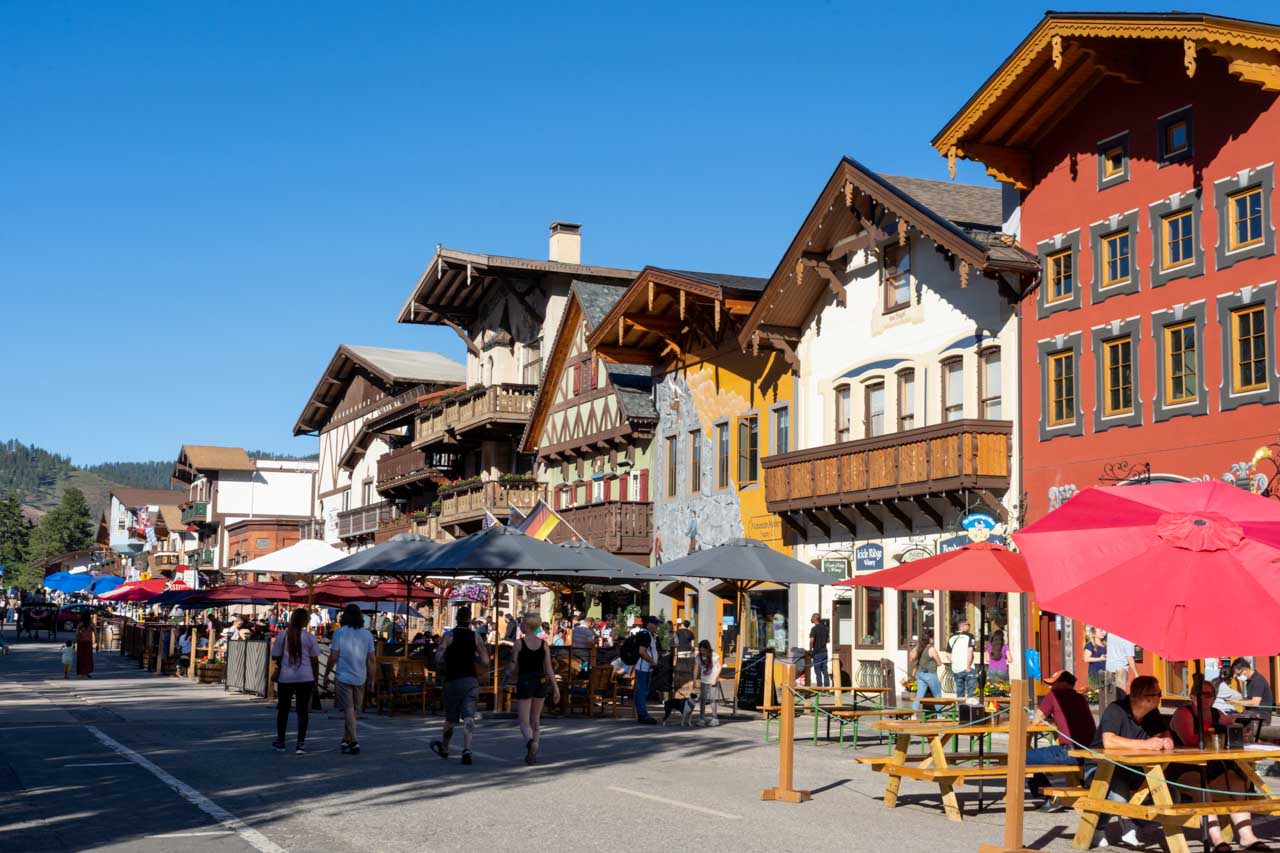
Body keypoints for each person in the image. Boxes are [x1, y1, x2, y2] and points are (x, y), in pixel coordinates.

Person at [1087, 675, 1172, 848]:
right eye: (1157, 694)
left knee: (1171, 793)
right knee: (1118, 798)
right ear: (1144, 697)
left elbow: (1164, 734)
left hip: (1134, 769)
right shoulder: (1116, 710)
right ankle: (1098, 828)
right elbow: (1109, 741)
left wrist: (1166, 741)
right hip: (1100, 769)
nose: (1160, 697)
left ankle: (1134, 822)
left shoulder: (1152, 713)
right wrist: (1145, 745)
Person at [1025, 671, 1096, 805]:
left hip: (1069, 752)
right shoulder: (1080, 698)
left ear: (1063, 683)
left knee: (1023, 757)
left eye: (1053, 684)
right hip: (1089, 753)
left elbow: (1036, 720)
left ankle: (1047, 797)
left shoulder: (1054, 696)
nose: (1050, 687)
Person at [432, 606, 489, 766]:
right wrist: (474, 658)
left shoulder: (449, 635)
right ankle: (467, 749)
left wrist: (443, 663)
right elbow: (485, 660)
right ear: (470, 619)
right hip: (471, 680)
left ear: (457, 618)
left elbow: (438, 656)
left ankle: (444, 747)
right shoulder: (475, 636)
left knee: (450, 718)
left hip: (453, 680)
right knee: (469, 717)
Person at [323, 603, 376, 755]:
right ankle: (345, 740)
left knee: (348, 710)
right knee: (352, 711)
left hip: (343, 676)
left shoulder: (339, 633)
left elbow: (333, 656)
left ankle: (354, 741)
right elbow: (371, 660)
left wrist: (327, 674)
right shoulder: (367, 635)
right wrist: (372, 679)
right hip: (361, 676)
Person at [510, 613, 558, 764]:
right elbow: (549, 668)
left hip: (525, 680)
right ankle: (533, 753)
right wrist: (555, 688)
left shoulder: (519, 643)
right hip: (541, 681)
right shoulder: (544, 644)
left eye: (523, 623)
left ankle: (531, 742)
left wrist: (507, 675)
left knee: (524, 721)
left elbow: (512, 666)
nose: (521, 625)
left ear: (527, 625)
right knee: (535, 720)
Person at [271, 608, 321, 754]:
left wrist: (284, 662)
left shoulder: (283, 635)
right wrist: (316, 678)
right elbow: (315, 660)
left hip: (286, 677)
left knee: (283, 710)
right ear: (305, 621)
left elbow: (275, 656)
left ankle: (281, 741)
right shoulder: (310, 637)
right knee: (303, 711)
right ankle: (300, 744)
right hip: (305, 677)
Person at [632, 615, 659, 724]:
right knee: (642, 692)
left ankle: (642, 714)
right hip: (643, 667)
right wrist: (652, 661)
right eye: (655, 624)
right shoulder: (645, 635)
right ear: (649, 624)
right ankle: (643, 716)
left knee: (642, 691)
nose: (657, 626)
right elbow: (642, 651)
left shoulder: (648, 634)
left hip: (645, 668)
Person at [1231, 657, 1274, 725]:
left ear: (1245, 669)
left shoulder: (1257, 680)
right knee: (1229, 718)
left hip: (1261, 716)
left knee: (1233, 722)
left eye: (1238, 674)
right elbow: (1249, 700)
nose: (1237, 676)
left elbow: (1255, 702)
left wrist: (1236, 702)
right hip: (1253, 714)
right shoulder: (1250, 681)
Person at [909, 631, 943, 710]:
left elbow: (911, 659)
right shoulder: (931, 649)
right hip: (930, 674)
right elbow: (939, 663)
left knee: (919, 695)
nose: (933, 639)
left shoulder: (919, 648)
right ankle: (939, 715)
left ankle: (913, 715)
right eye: (932, 637)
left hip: (920, 674)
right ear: (930, 639)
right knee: (937, 695)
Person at [693, 639, 721, 726]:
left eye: (704, 650)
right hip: (704, 680)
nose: (702, 652)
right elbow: (696, 668)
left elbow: (719, 667)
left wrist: (714, 678)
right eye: (701, 650)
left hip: (713, 679)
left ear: (707, 649)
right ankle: (701, 719)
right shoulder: (699, 656)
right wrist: (694, 680)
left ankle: (715, 718)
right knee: (703, 699)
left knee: (712, 699)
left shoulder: (714, 655)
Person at [947, 620, 975, 698]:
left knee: (960, 692)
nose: (969, 626)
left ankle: (961, 709)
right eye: (968, 624)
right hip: (968, 668)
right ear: (963, 626)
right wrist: (968, 666)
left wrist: (954, 662)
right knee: (971, 692)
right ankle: (970, 709)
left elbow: (948, 654)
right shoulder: (970, 636)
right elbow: (970, 651)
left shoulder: (951, 637)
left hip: (956, 669)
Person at [1103, 632, 1137, 698]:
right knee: (1121, 694)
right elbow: (1130, 659)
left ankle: (1112, 707)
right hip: (1121, 669)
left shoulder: (1110, 634)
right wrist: (1136, 673)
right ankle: (1120, 708)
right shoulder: (1128, 639)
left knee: (1110, 695)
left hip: (1109, 668)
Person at [808, 613, 830, 688]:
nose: (811, 619)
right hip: (824, 652)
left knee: (818, 671)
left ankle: (820, 688)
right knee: (825, 670)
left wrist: (810, 650)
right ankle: (827, 688)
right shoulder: (826, 629)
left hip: (817, 653)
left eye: (812, 617)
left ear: (815, 618)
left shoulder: (814, 629)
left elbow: (811, 640)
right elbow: (828, 640)